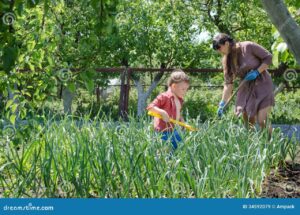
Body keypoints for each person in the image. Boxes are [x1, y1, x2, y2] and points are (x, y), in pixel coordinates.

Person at [213, 33, 274, 132]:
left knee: (261, 119)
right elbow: (228, 83)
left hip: (262, 83)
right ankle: (250, 145)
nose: (219, 51)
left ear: (227, 43)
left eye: (219, 48)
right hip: (245, 86)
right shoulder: (226, 60)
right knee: (247, 118)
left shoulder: (248, 46)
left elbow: (268, 57)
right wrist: (222, 103)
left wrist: (257, 72)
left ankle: (271, 144)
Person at [146, 69, 189, 149]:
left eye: (186, 89)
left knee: (178, 147)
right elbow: (150, 107)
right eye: (183, 89)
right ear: (174, 86)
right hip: (162, 132)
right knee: (163, 150)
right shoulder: (164, 97)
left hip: (173, 130)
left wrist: (181, 120)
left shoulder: (180, 99)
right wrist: (162, 112)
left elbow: (178, 112)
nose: (185, 92)